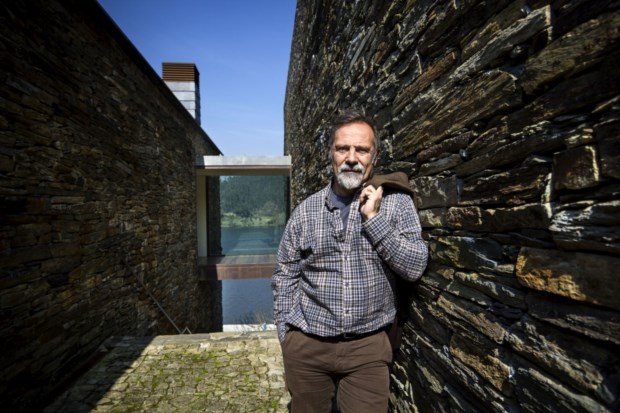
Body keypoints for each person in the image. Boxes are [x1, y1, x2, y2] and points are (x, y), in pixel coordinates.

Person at [272, 108, 428, 413]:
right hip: (307, 346)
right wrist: (286, 335)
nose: (352, 158)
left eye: (362, 149)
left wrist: (374, 220)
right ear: (330, 152)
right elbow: (285, 274)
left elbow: (415, 267)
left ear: (375, 156)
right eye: (343, 148)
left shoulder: (396, 203)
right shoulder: (305, 211)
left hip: (367, 349)